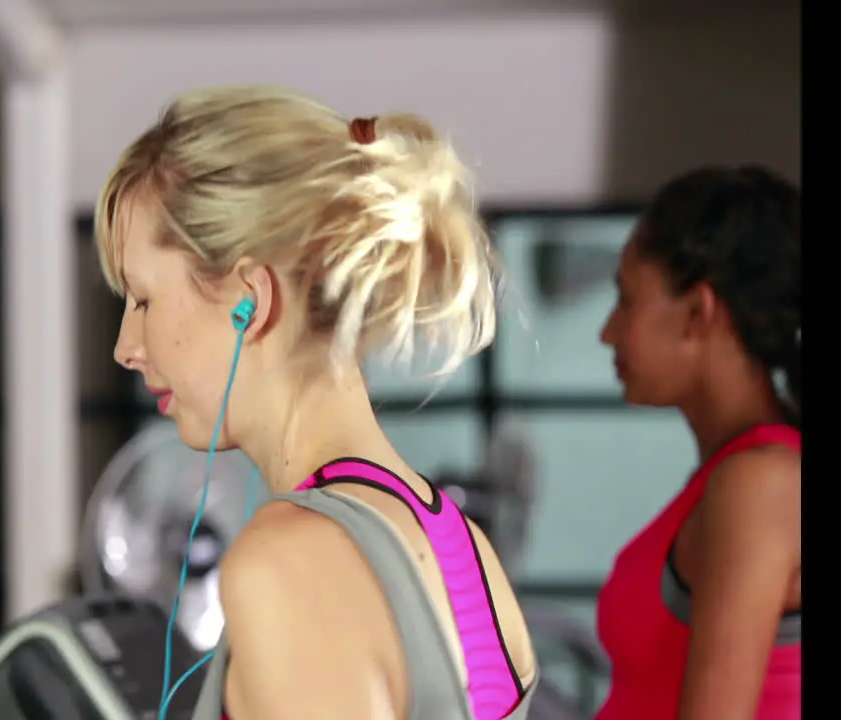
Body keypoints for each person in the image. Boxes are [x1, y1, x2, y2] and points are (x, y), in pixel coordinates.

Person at [94, 85, 538, 719]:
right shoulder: (464, 549)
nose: (125, 348)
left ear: (250, 297)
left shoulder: (288, 563)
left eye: (142, 300)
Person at [595, 165, 801, 719]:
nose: (607, 332)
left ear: (697, 312)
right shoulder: (732, 477)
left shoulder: (763, 484)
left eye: (626, 299)